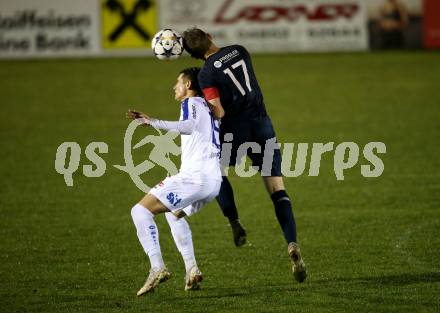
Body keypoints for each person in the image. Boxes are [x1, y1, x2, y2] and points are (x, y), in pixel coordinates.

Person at [182, 28, 306, 282]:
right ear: (209, 35)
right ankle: (292, 243)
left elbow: (218, 111)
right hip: (262, 125)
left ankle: (234, 220)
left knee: (215, 172)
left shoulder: (206, 74)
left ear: (194, 56)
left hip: (235, 132)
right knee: (278, 190)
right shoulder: (239, 50)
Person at [127, 67, 222, 295]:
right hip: (213, 182)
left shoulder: (191, 103)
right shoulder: (211, 109)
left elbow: (188, 126)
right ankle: (192, 269)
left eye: (178, 82)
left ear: (188, 85)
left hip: (194, 178)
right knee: (173, 213)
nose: (174, 87)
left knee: (139, 212)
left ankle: (157, 267)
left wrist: (153, 122)